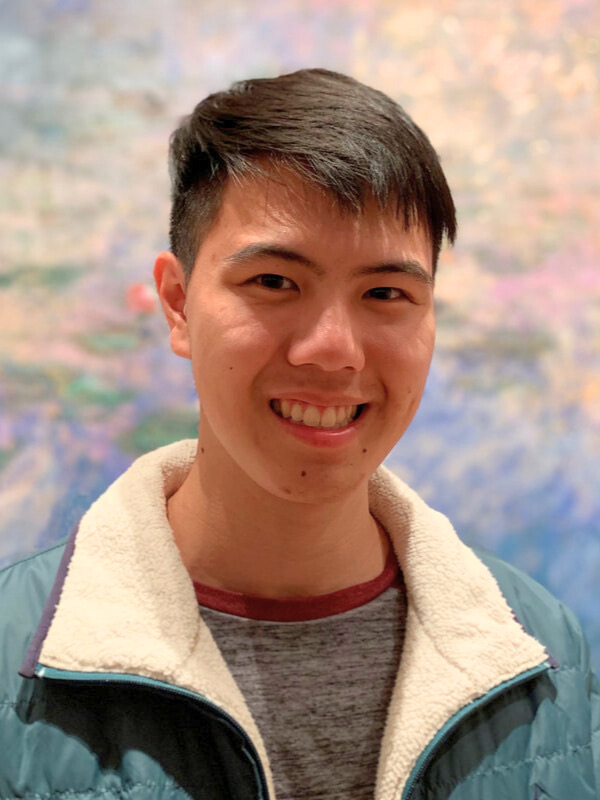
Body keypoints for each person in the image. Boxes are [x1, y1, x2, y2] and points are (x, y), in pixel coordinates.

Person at [0, 69, 598, 800]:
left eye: (386, 294)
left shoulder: (547, 656)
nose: (332, 349)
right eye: (275, 283)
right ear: (179, 304)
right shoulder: (12, 655)